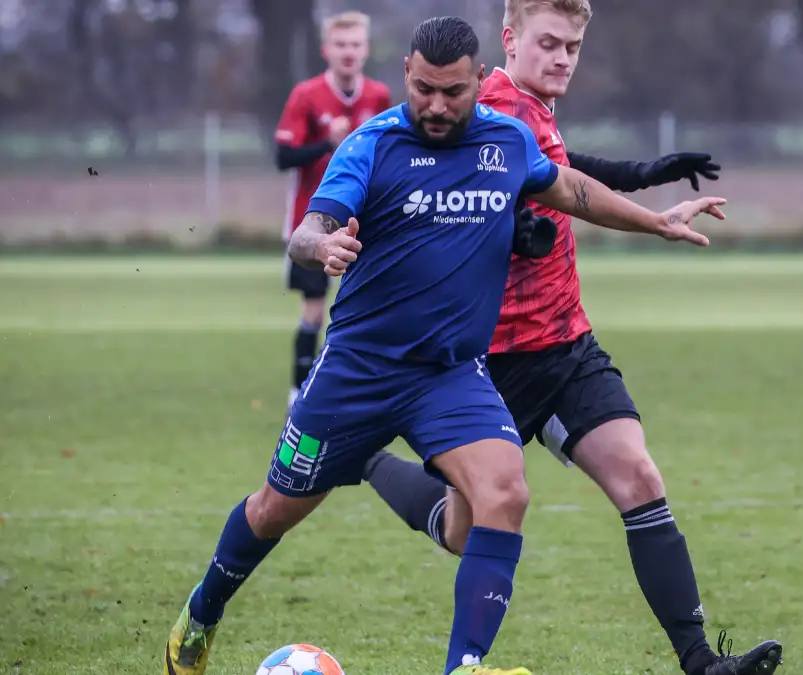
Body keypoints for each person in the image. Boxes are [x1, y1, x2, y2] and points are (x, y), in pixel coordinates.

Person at [163, 16, 728, 675]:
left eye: (452, 91)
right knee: (273, 509)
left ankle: (466, 665)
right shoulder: (371, 146)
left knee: (505, 492)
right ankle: (201, 614)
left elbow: (572, 188)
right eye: (425, 89)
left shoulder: (507, 141)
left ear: (475, 81)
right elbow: (306, 231)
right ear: (406, 73)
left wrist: (656, 221)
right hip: (358, 371)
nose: (436, 104)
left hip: (451, 375)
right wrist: (323, 245)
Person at [360, 2, 783, 674]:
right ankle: (370, 461)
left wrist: (648, 181)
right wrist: (512, 229)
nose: (563, 58)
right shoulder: (482, 108)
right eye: (549, 43)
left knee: (639, 476)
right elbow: (444, 198)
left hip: (566, 346)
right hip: (486, 366)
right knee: (461, 527)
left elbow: (561, 168)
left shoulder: (532, 108)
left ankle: (702, 661)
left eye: (574, 47)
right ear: (509, 40)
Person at [275, 10, 392, 406]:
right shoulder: (306, 95)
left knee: (362, 305)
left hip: (362, 221)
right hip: (311, 221)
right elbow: (283, 156)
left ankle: (354, 388)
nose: (348, 52)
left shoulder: (377, 96)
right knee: (313, 308)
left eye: (356, 45)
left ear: (366, 50)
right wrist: (328, 143)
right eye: (341, 45)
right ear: (327, 50)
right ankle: (299, 390)